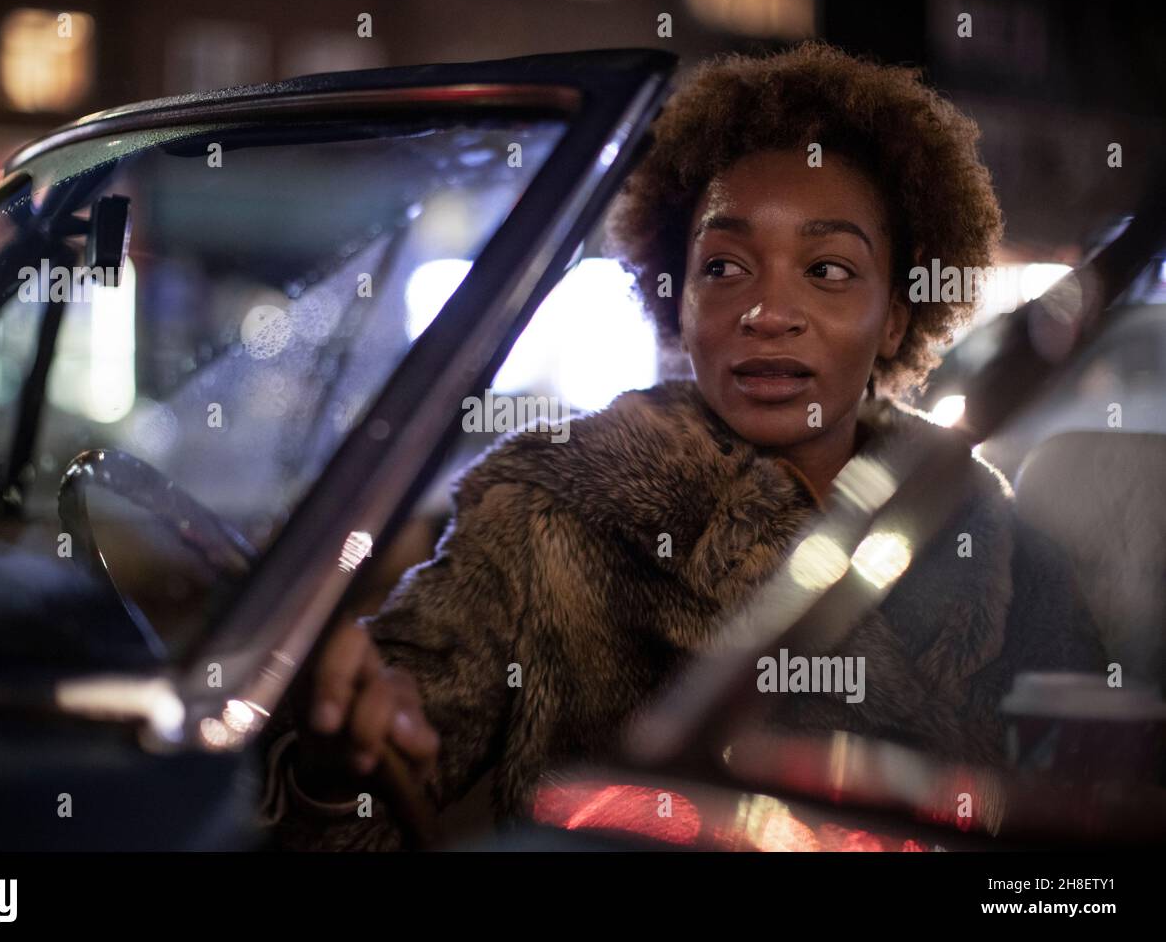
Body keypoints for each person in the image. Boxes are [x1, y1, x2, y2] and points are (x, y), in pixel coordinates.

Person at [265, 42, 1106, 851]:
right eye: (725, 266)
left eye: (828, 271)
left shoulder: (977, 520)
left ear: (896, 314)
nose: (767, 311)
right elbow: (355, 806)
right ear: (676, 297)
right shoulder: (544, 512)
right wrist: (344, 755)